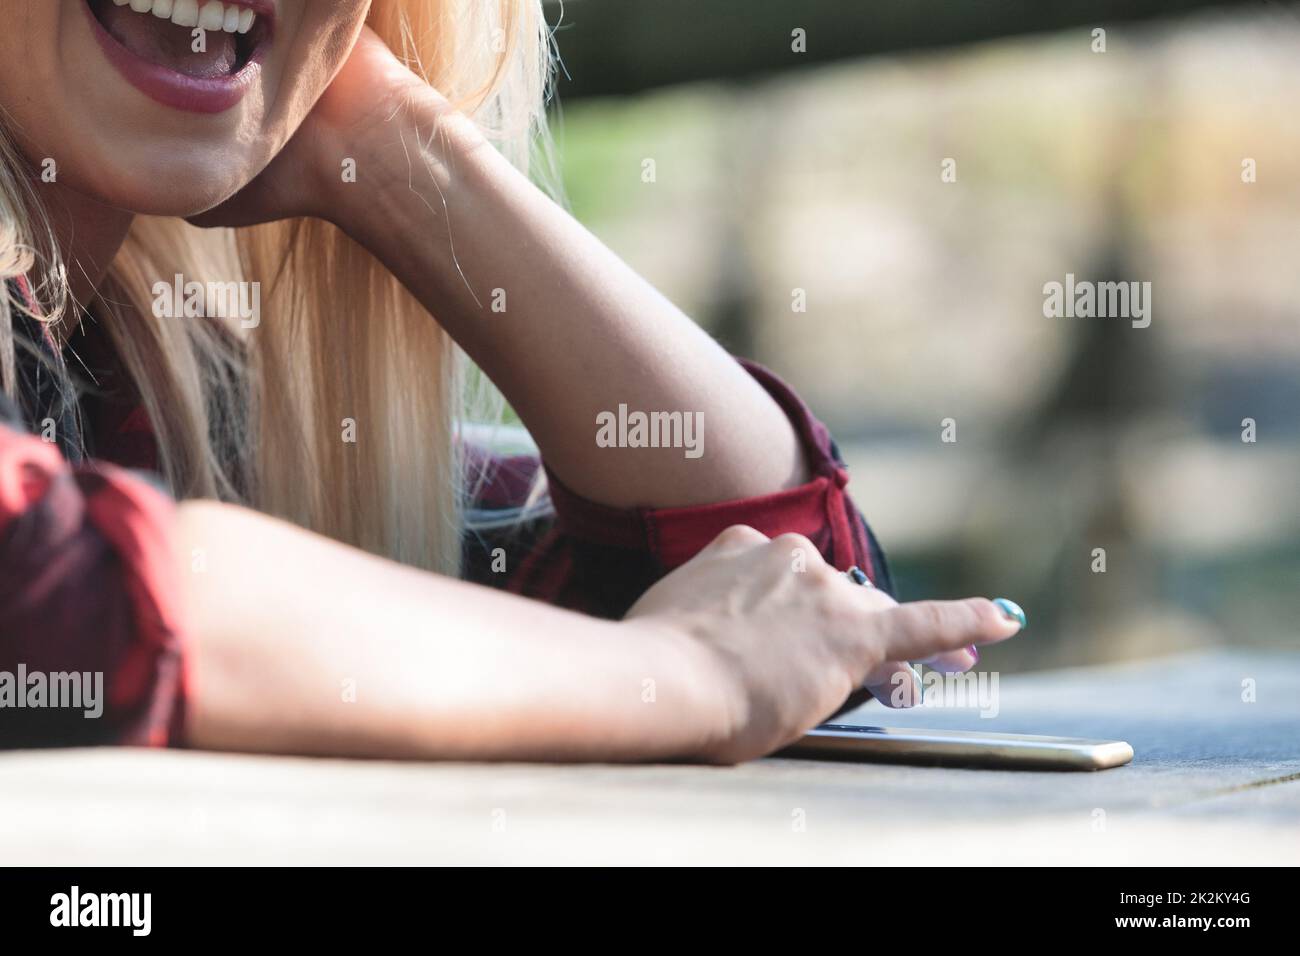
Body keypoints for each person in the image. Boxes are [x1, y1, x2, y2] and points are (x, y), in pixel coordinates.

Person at [0, 0, 1025, 763]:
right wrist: (687, 674)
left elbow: (784, 582)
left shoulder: (153, 385)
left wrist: (401, 154)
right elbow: (49, 588)